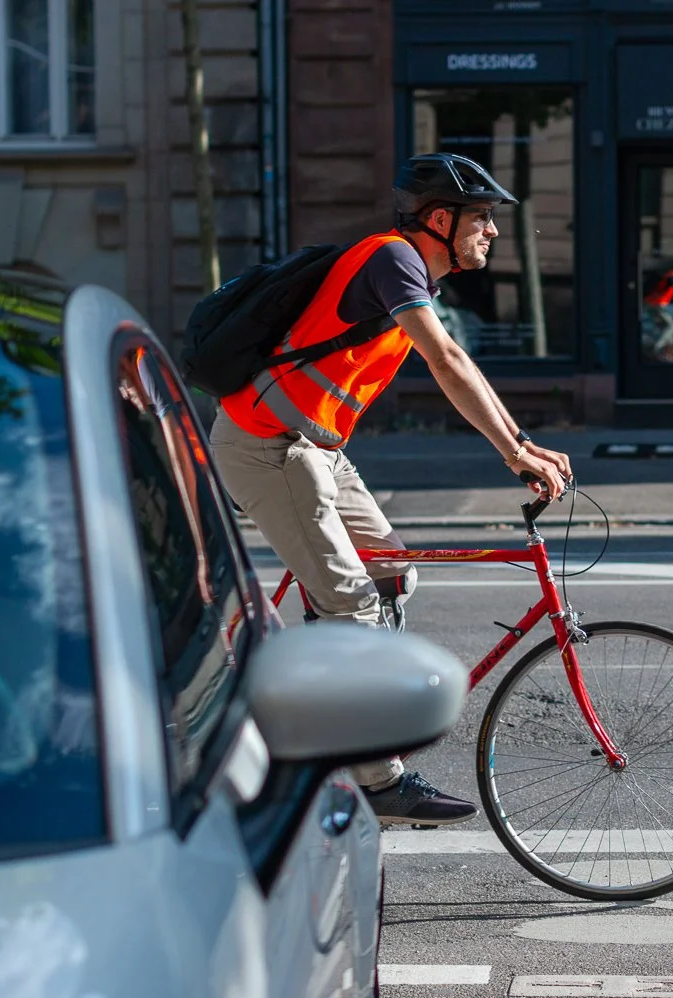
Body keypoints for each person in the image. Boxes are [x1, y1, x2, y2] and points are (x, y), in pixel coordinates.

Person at [208, 152, 573, 826]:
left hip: (311, 447)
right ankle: (379, 780)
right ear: (441, 219)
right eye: (483, 219)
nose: (492, 232)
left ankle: (334, 705)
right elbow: (448, 360)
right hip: (266, 446)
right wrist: (516, 450)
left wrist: (519, 445)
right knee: (349, 601)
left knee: (392, 577)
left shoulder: (408, 272)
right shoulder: (393, 260)